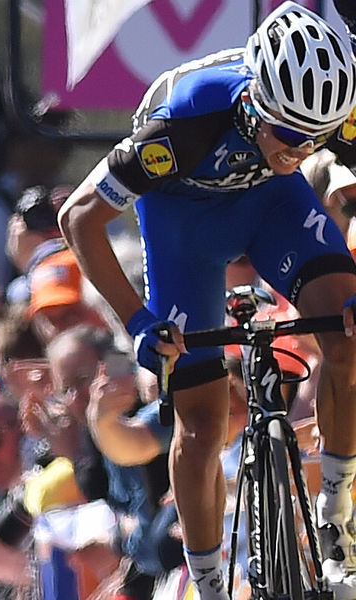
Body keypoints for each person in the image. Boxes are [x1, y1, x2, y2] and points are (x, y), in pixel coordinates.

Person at [57, 3, 356, 597]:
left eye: (315, 138)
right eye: (290, 135)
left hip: (274, 205)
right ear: (253, 106)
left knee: (348, 338)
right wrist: (139, 322)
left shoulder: (321, 119)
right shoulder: (184, 122)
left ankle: (337, 512)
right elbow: (78, 218)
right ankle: (211, 583)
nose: (301, 149)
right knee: (201, 424)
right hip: (182, 224)